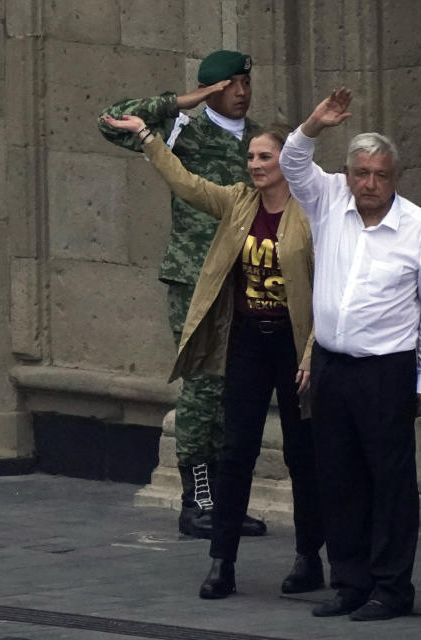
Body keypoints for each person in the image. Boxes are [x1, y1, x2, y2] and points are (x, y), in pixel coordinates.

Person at [100, 108, 325, 600]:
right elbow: (186, 184)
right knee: (236, 451)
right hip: (248, 341)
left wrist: (311, 351)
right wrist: (146, 137)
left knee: (300, 454)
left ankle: (310, 558)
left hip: (293, 345)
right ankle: (222, 562)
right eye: (250, 156)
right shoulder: (239, 203)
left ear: (287, 161)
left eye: (264, 156)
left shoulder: (311, 213)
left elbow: (328, 288)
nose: (253, 164)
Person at [279, 88, 421, 622]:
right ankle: (349, 581)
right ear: (347, 175)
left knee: (390, 484)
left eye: (380, 175)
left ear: (395, 178)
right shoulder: (328, 201)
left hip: (387, 371)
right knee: (339, 476)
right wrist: (315, 122)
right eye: (360, 173)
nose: (368, 184)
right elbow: (291, 160)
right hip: (331, 366)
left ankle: (391, 587)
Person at [97, 50, 265, 539]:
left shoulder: (260, 140)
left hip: (247, 279)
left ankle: (229, 503)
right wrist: (182, 100)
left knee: (237, 392)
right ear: (212, 89)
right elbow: (110, 120)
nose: (240, 91)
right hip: (195, 277)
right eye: (230, 84)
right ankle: (199, 503)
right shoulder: (182, 131)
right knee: (204, 387)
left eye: (245, 83)